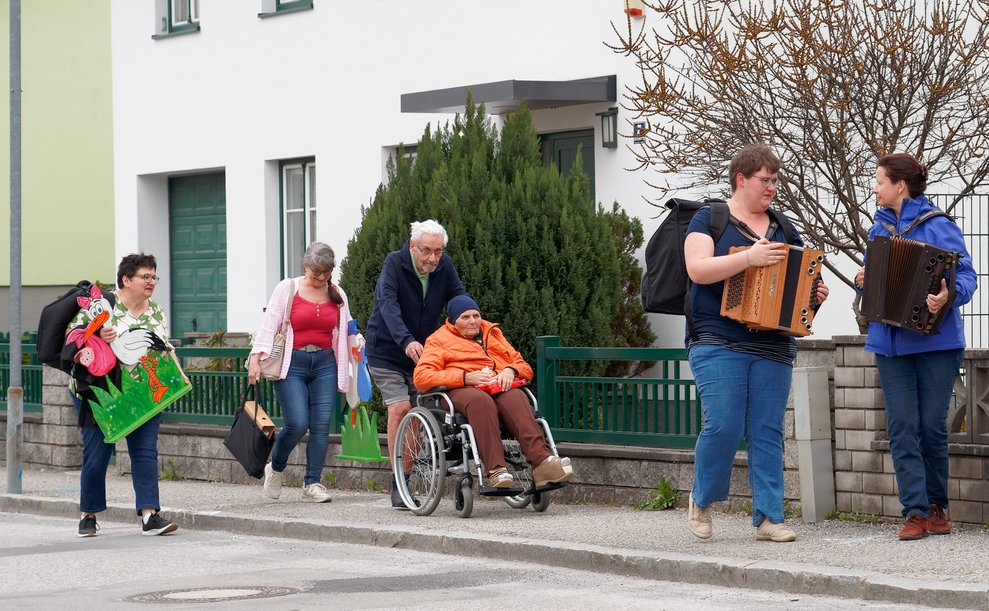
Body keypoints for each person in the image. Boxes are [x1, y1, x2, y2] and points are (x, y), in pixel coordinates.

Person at [682, 144, 829, 543]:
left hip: (773, 343)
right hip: (716, 337)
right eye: (765, 180)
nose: (772, 187)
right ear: (741, 179)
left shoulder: (782, 226)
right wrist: (749, 258)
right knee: (725, 424)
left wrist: (813, 295)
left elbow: (802, 277)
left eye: (775, 180)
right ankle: (702, 498)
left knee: (767, 430)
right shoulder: (708, 219)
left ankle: (769, 517)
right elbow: (697, 270)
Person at [855, 153, 977, 541]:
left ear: (899, 185)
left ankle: (937, 506)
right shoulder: (878, 229)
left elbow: (968, 277)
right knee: (902, 426)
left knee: (930, 426)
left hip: (936, 343)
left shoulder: (938, 225)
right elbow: (875, 282)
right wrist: (864, 279)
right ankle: (914, 511)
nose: (874, 187)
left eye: (878, 180)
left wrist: (948, 296)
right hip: (888, 345)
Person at [69, 253, 186, 537]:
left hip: (141, 391)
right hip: (100, 391)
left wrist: (180, 374)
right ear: (126, 280)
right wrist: (97, 335)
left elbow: (164, 348)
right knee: (98, 452)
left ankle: (149, 515)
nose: (151, 282)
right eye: (145, 277)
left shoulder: (155, 310)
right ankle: (88, 513)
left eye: (153, 277)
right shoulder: (104, 304)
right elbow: (73, 337)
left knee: (145, 451)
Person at [413, 294, 574, 489]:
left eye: (476, 315)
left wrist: (510, 370)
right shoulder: (439, 339)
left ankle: (542, 463)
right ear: (453, 321)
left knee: (516, 397)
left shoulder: (492, 333)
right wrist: (464, 377)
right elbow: (421, 377)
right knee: (481, 401)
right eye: (465, 317)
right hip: (460, 391)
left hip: (496, 385)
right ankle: (496, 469)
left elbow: (523, 365)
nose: (473, 321)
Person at [247, 242, 362, 504]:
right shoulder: (287, 289)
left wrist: (358, 342)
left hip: (325, 363)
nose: (321, 279)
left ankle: (313, 482)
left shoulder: (337, 293)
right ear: (305, 266)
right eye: (316, 273)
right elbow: (269, 326)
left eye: (326, 273)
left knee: (321, 426)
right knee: (298, 423)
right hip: (293, 363)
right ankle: (275, 468)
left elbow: (347, 328)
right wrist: (255, 360)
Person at [364, 220, 465, 507]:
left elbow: (458, 295)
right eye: (426, 251)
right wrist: (406, 340)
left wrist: (470, 320)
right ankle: (399, 482)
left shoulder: (444, 267)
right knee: (401, 409)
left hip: (424, 355)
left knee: (427, 414)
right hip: (387, 351)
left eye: (438, 251)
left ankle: (416, 474)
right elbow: (387, 304)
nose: (432, 258)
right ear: (412, 246)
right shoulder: (394, 264)